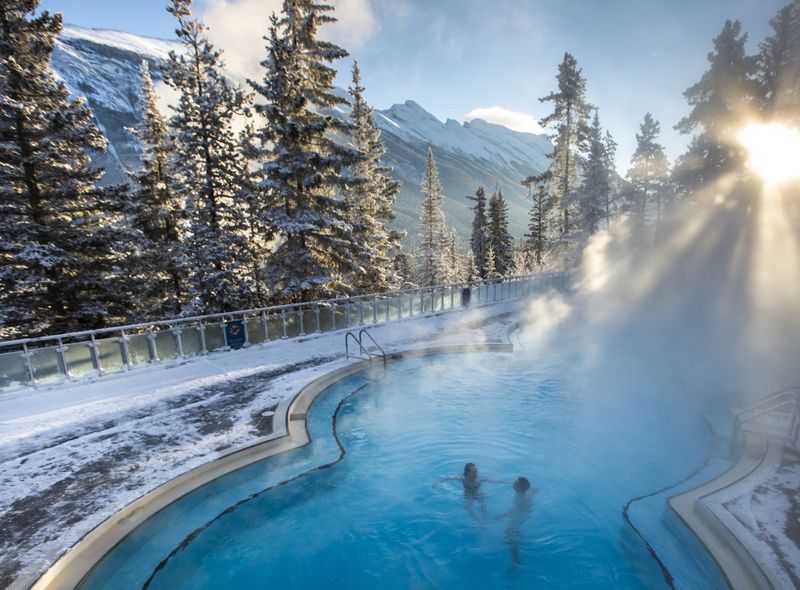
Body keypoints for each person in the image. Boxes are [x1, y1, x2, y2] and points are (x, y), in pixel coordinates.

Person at [432, 462, 506, 521]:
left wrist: (504, 482)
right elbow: (448, 478)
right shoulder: (463, 479)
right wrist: (437, 482)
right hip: (468, 495)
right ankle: (478, 521)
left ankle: (485, 519)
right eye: (473, 472)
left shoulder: (479, 479)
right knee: (468, 509)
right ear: (467, 473)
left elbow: (493, 481)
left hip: (478, 493)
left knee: (483, 506)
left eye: (476, 471)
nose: (476, 474)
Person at [495, 476, 537, 567]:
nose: (514, 482)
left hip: (519, 516)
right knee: (515, 531)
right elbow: (534, 490)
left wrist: (500, 516)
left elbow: (512, 512)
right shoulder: (527, 492)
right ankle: (519, 534)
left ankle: (516, 560)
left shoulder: (520, 499)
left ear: (518, 488)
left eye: (516, 482)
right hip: (524, 515)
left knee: (508, 534)